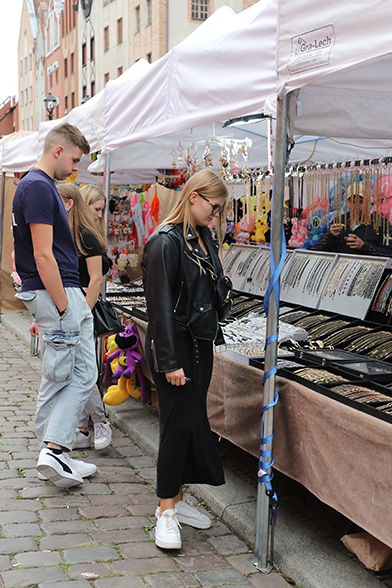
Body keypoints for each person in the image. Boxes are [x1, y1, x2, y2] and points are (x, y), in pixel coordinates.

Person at [142, 169, 228, 550]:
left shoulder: (202, 238)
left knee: (190, 422)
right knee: (177, 427)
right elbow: (159, 307)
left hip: (199, 345)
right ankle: (165, 512)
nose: (217, 214)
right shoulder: (166, 242)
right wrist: (169, 360)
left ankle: (176, 501)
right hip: (175, 345)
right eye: (214, 206)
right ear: (194, 196)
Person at [12, 122, 102, 488]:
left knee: (66, 373)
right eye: (76, 160)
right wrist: (64, 306)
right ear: (58, 151)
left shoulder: (37, 185)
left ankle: (59, 452)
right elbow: (42, 254)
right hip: (58, 291)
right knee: (79, 374)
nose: (76, 169)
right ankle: (53, 450)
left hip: (57, 291)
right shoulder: (37, 186)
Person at [56, 183, 112, 451]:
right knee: (71, 370)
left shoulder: (88, 236)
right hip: (65, 307)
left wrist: (81, 314)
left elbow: (96, 278)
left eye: (101, 210)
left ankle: (97, 421)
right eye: (97, 209)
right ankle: (81, 426)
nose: (100, 214)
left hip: (79, 307)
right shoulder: (65, 233)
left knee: (83, 369)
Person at [316, 185, 392, 258]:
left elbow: (390, 254)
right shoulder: (338, 221)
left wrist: (364, 247)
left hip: (366, 272)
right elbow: (320, 249)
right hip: (340, 271)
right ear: (346, 203)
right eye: (353, 202)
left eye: (361, 202)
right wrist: (330, 236)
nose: (357, 207)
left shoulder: (383, 224)